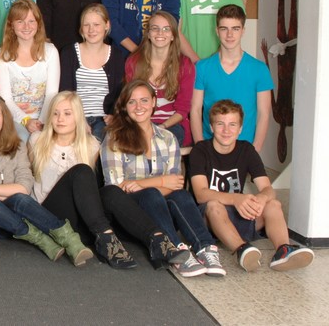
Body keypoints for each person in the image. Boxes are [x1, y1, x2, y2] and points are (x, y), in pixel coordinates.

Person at [29, 92, 189, 269]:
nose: (60, 119)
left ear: (78, 117)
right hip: (51, 217)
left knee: (111, 191)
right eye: (55, 113)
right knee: (82, 171)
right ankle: (107, 239)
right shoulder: (37, 140)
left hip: (82, 223)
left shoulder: (91, 144)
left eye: (67, 113)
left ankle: (157, 240)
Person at [0, 94, 92, 265]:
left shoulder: (17, 147)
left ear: (4, 119)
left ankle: (69, 239)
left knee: (19, 199)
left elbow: (24, 187)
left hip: (8, 223)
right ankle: (38, 238)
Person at [101, 80, 224, 278]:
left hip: (161, 213)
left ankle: (205, 248)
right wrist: (159, 182)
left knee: (181, 195)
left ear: (153, 102)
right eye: (132, 102)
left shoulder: (168, 138)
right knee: (150, 194)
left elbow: (175, 184)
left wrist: (143, 185)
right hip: (130, 218)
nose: (139, 106)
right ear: (124, 106)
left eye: (144, 100)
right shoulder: (114, 138)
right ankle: (175, 251)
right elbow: (115, 189)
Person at [190, 100, 314, 272]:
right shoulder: (200, 150)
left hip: (240, 216)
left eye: (232, 124)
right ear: (211, 127)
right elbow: (201, 194)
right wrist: (236, 198)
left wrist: (261, 198)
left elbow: (268, 189)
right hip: (209, 221)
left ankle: (283, 250)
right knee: (213, 205)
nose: (226, 130)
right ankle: (242, 249)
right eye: (220, 124)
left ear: (240, 129)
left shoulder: (246, 150)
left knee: (273, 204)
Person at [190, 4, 273, 150]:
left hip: (244, 149)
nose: (229, 35)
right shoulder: (202, 68)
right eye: (224, 29)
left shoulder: (259, 69)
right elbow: (195, 109)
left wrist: (255, 149)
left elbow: (264, 114)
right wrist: (200, 147)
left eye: (235, 28)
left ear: (243, 31)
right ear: (217, 31)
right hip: (209, 148)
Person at [124, 11, 194, 146]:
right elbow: (129, 102)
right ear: (148, 34)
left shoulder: (185, 65)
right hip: (140, 122)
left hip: (172, 125)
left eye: (166, 29)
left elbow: (183, 110)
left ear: (173, 35)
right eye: (155, 28)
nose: (160, 33)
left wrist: (161, 127)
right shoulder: (134, 62)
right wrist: (145, 127)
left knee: (159, 142)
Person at [0, 0, 59, 142]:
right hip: (14, 118)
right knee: (23, 138)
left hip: (45, 117)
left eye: (31, 21)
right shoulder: (2, 55)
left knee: (42, 139)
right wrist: (26, 120)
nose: (26, 26)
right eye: (20, 21)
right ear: (11, 25)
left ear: (38, 24)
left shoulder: (51, 51)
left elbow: (52, 94)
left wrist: (40, 122)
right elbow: (6, 99)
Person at [58, 3, 124, 142]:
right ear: (81, 27)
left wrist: (114, 116)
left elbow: (119, 93)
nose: (91, 30)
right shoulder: (69, 53)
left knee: (103, 139)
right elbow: (65, 93)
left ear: (107, 25)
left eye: (96, 24)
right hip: (74, 116)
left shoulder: (117, 55)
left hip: (104, 119)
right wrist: (79, 120)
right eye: (86, 25)